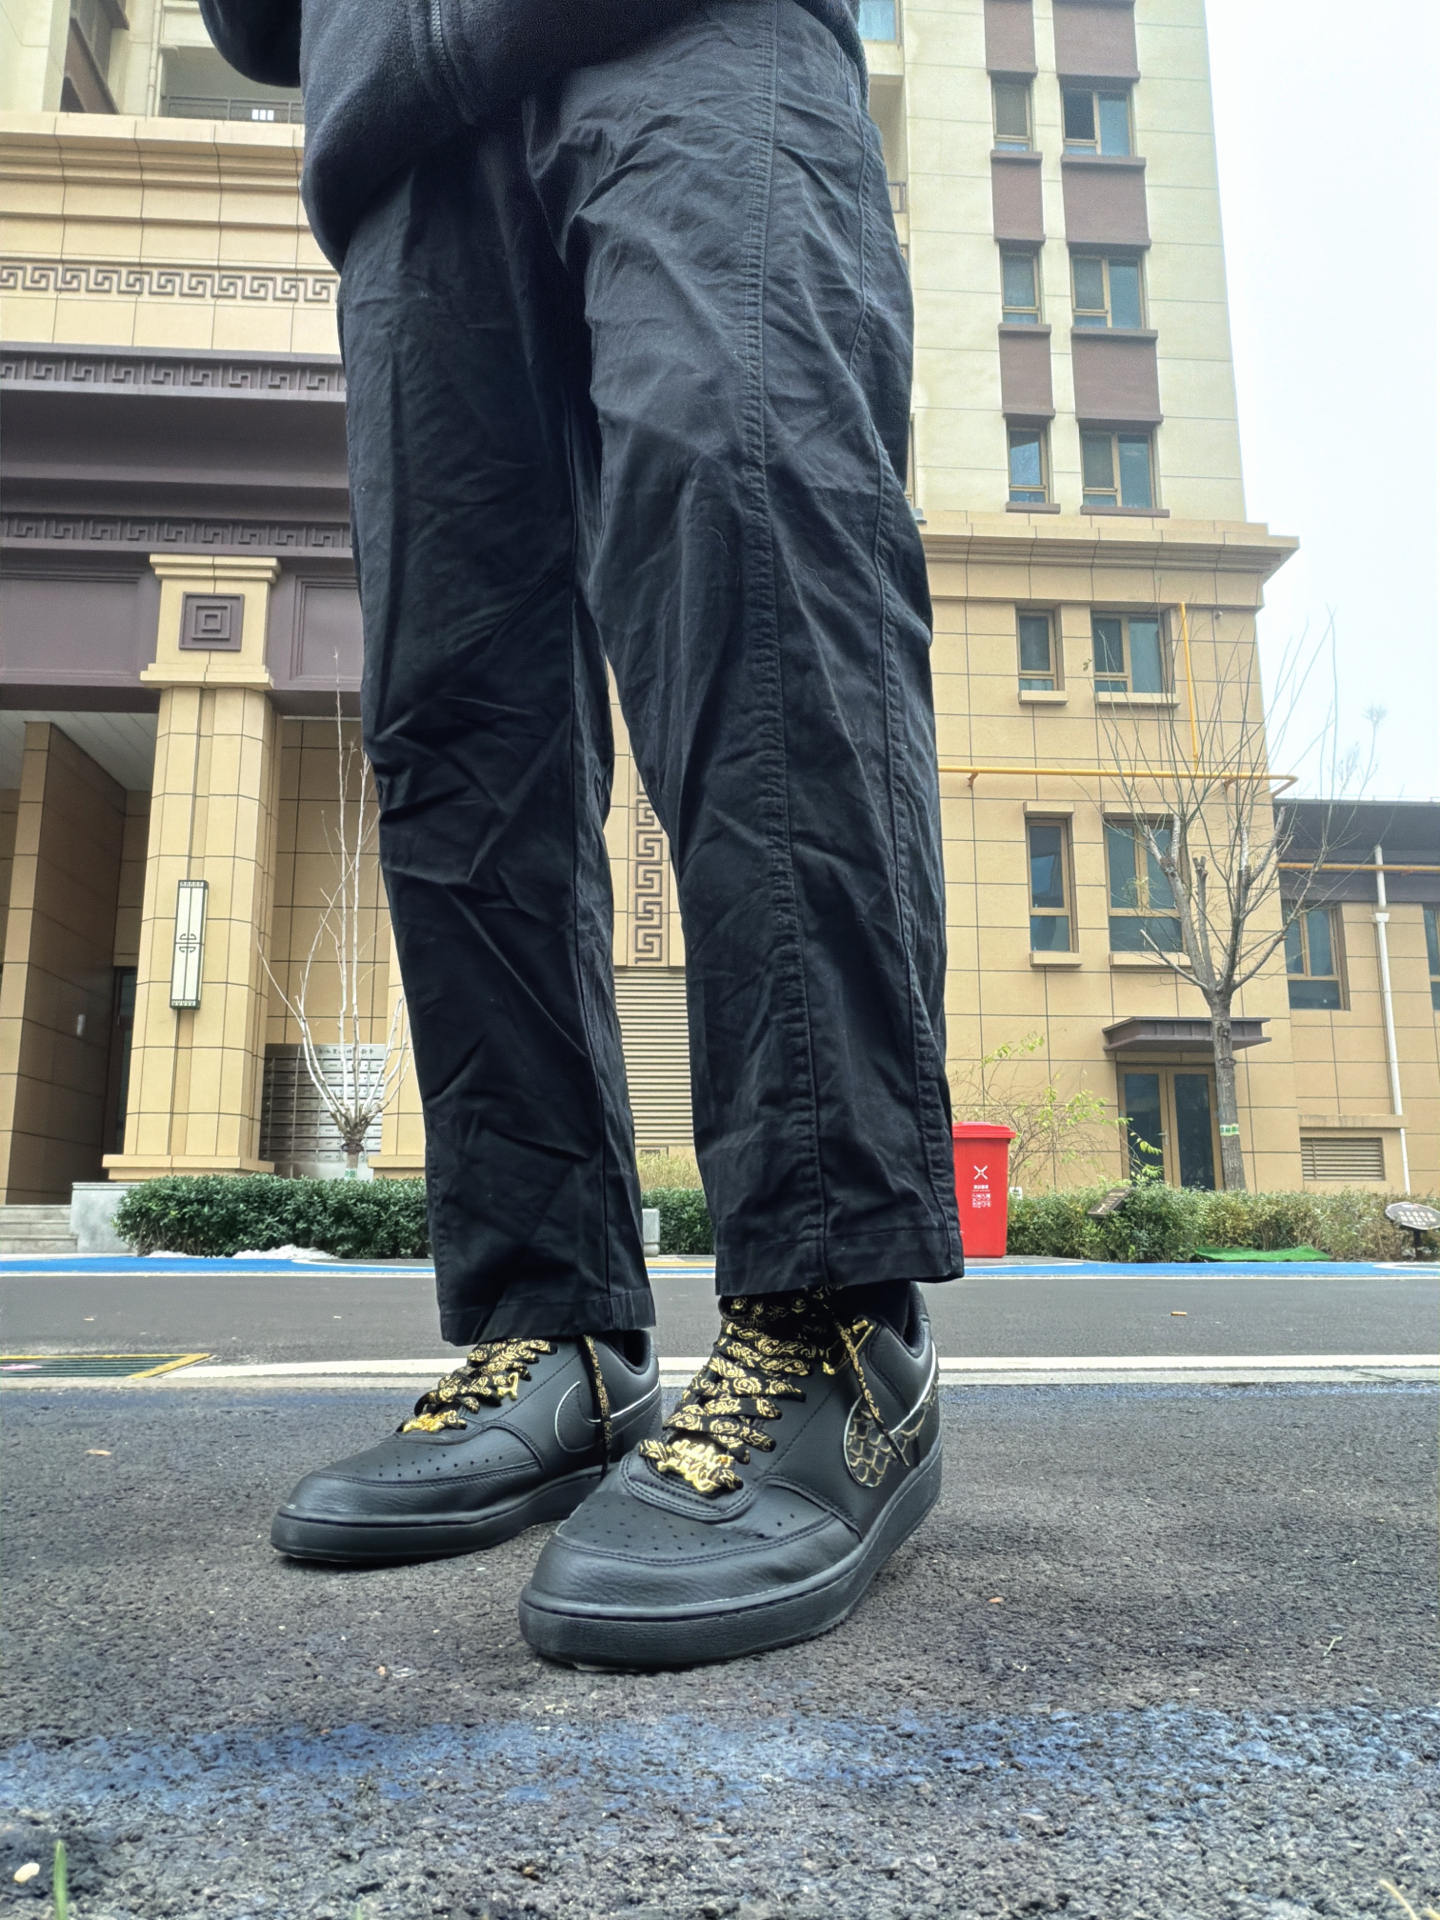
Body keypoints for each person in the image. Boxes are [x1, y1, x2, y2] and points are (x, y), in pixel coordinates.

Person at [203, 0, 962, 1669]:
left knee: (751, 547)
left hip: (699, 36)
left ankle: (839, 1330)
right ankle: (555, 1334)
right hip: (402, 126)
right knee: (454, 707)